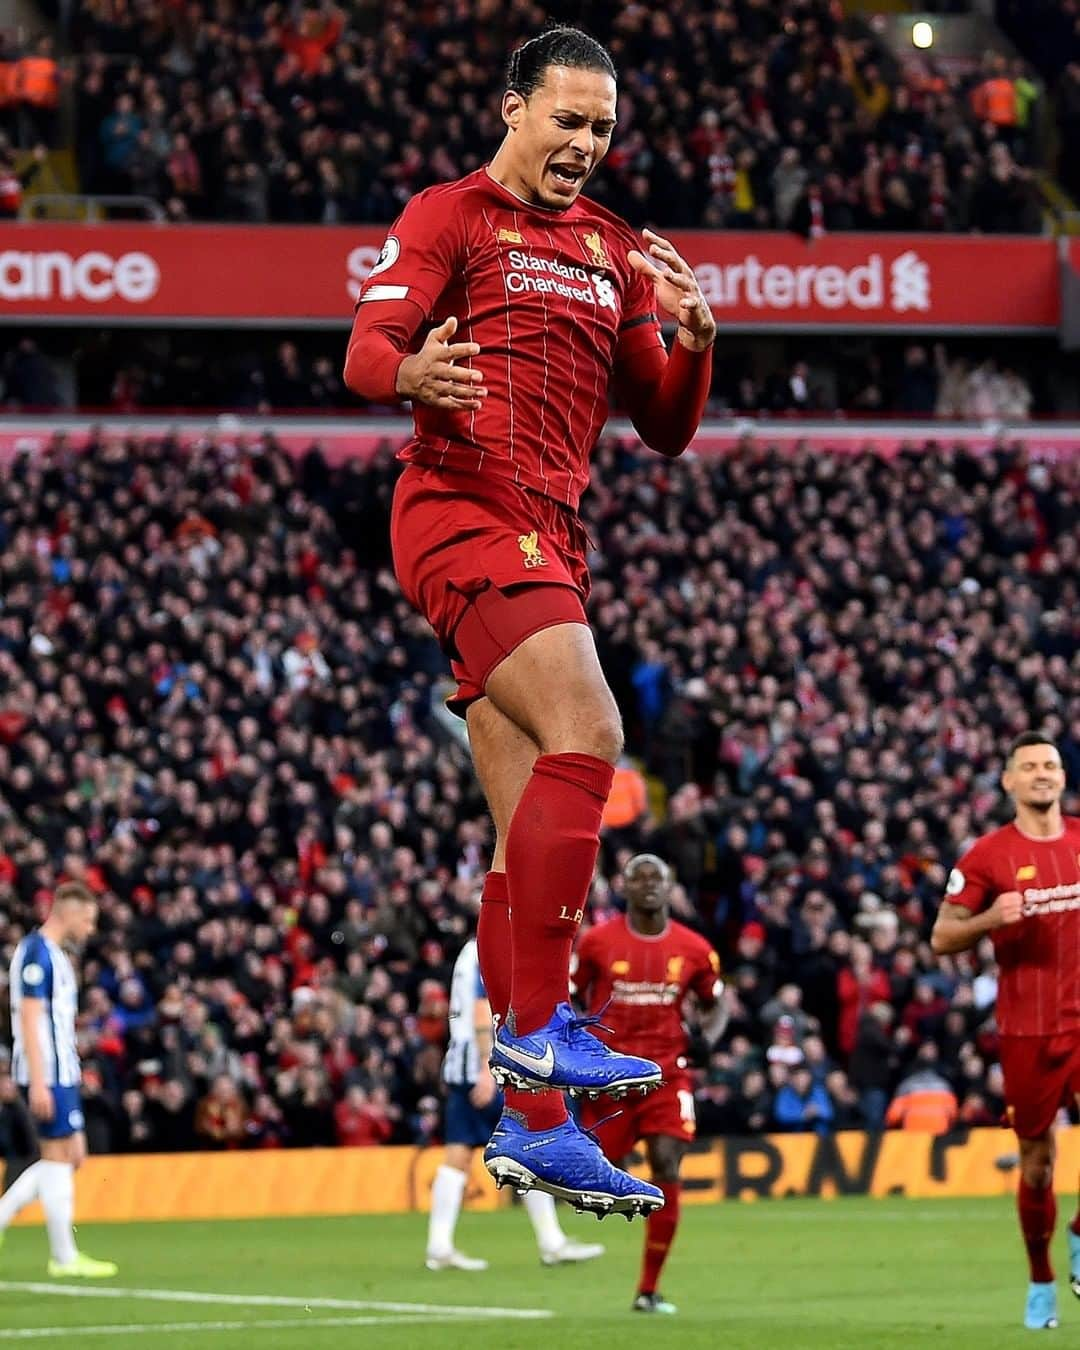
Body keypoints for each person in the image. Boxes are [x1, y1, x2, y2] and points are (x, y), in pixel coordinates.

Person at [344, 26, 715, 1218]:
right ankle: (545, 1031)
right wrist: (409, 377)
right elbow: (366, 349)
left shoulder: (613, 250)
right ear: (513, 108)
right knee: (591, 730)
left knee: (521, 833)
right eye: (566, 119)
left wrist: (697, 345)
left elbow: (663, 423)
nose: (584, 145)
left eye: (602, 128)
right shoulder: (450, 215)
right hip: (460, 507)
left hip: (553, 536)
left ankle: (535, 1123)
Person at [931, 731, 1080, 1331]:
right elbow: (943, 936)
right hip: (1027, 1030)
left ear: (1063, 778)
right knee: (1037, 1162)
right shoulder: (987, 856)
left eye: (1051, 764)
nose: (1042, 773)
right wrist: (993, 917)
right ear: (1010, 782)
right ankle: (1042, 1279)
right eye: (1030, 766)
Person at [571, 856, 726, 1314]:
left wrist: (709, 1039)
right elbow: (571, 991)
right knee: (606, 1168)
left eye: (656, 877)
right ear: (624, 888)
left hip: (667, 1073)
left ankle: (648, 1289)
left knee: (665, 1158)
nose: (648, 886)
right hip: (610, 1074)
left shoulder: (695, 948)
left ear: (670, 884)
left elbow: (716, 1003)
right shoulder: (598, 942)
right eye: (637, 879)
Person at [425, 931, 604, 1271]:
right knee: (531, 1142)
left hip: (467, 1062)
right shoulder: (493, 946)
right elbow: (482, 1008)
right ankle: (550, 1242)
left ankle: (440, 1245)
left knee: (462, 1154)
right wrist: (483, 1066)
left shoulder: (471, 949)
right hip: (491, 1064)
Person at [0, 881, 117, 1277]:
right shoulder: (36, 954)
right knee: (56, 1157)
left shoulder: (55, 955)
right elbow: (31, 1019)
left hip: (63, 1072)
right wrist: (37, 1080)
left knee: (71, 1157)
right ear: (66, 912)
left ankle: (51, 1247)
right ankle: (64, 1257)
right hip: (46, 1073)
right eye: (87, 920)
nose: (90, 929)